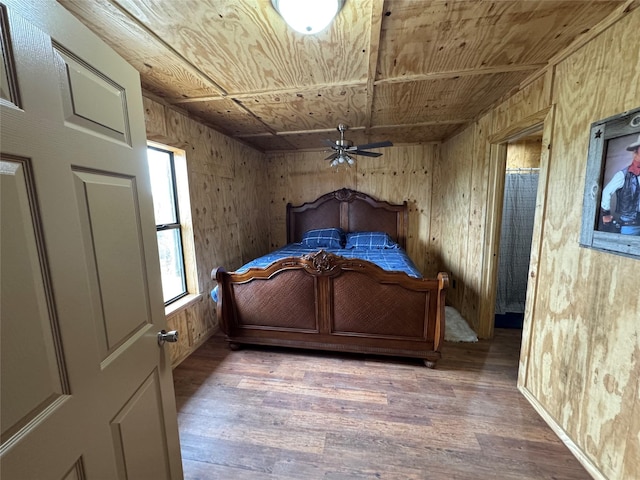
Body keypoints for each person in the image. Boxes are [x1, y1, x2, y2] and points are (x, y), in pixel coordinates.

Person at [601, 134, 640, 235]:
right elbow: (606, 192)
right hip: (631, 226)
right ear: (636, 152)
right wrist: (606, 214)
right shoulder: (622, 175)